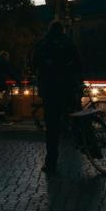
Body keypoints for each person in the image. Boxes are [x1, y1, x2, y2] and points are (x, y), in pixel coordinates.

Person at [33, 21, 82, 174]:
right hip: (68, 87)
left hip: (50, 89)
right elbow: (79, 62)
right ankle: (83, 142)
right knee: (75, 115)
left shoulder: (43, 44)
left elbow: (34, 63)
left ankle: (51, 163)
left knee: (52, 127)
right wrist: (78, 80)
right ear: (63, 30)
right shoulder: (68, 42)